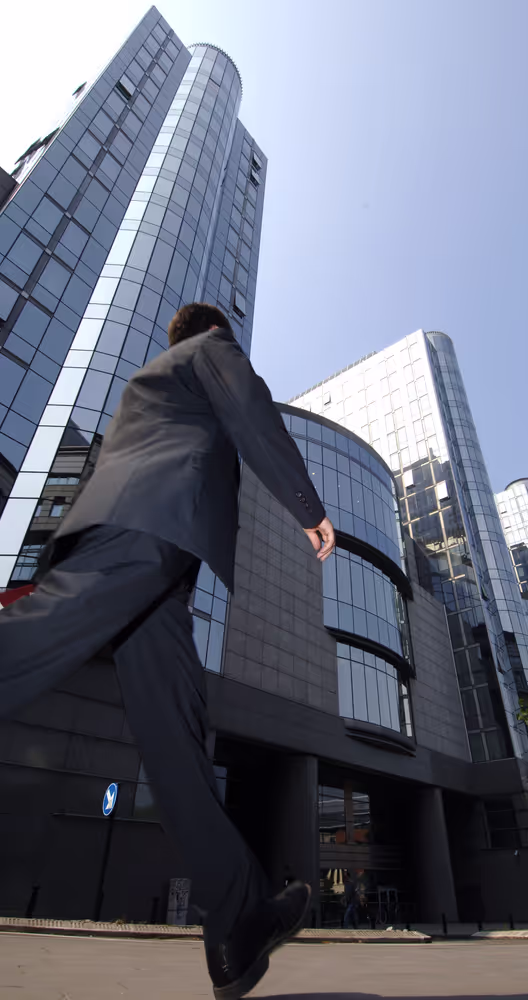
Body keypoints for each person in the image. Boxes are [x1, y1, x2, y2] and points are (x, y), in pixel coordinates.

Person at [0, 303, 335, 999]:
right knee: (39, 633)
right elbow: (248, 406)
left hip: (156, 569)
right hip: (147, 530)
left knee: (177, 745)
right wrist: (306, 504)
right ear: (218, 331)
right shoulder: (209, 351)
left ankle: (239, 923)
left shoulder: (146, 386)